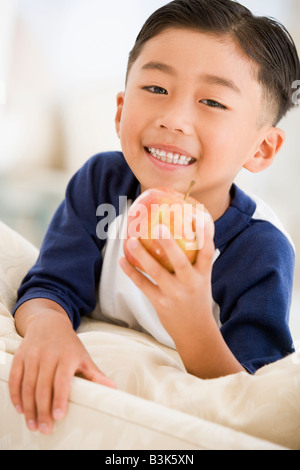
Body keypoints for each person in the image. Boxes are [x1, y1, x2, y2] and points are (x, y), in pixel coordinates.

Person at [8, 0, 300, 435]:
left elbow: (252, 395)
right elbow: (52, 284)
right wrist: (48, 329)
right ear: (122, 110)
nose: (174, 119)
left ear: (260, 149)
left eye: (212, 102)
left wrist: (191, 319)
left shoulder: (260, 249)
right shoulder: (102, 184)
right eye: (157, 89)